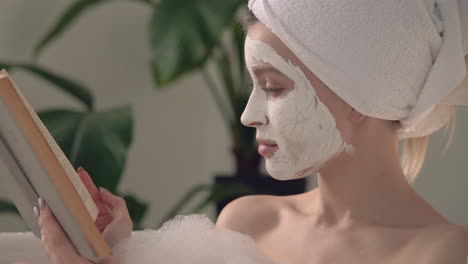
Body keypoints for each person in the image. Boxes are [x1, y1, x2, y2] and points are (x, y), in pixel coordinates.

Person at [22, 0, 468, 263]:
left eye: (273, 87)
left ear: (364, 96)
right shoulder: (248, 223)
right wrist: (116, 254)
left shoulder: (443, 253)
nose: (248, 115)